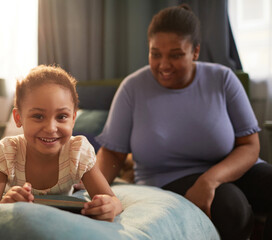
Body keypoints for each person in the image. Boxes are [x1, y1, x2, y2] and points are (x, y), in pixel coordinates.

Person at [95, 4, 272, 239]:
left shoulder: (223, 79)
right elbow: (112, 154)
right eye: (155, 53)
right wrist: (90, 190)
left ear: (195, 52)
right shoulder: (132, 88)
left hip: (230, 168)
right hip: (167, 179)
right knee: (232, 208)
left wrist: (209, 180)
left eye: (176, 54)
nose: (163, 64)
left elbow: (250, 145)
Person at [0, 65, 123, 222]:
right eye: (38, 116)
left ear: (73, 119)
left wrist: (109, 207)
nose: (51, 128)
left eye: (61, 117)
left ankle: (80, 184)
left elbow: (114, 201)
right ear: (18, 118)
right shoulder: (7, 152)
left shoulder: (78, 152)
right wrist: (4, 205)